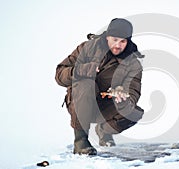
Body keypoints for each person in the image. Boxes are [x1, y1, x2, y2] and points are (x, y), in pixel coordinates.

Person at [55, 18, 144, 155]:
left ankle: (104, 130)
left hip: (106, 107)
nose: (118, 45)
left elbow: (133, 90)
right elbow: (59, 75)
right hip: (80, 101)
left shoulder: (133, 64)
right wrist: (80, 70)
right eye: (114, 39)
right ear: (107, 36)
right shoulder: (87, 48)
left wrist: (125, 98)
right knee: (86, 84)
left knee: (134, 113)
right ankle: (81, 141)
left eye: (123, 41)